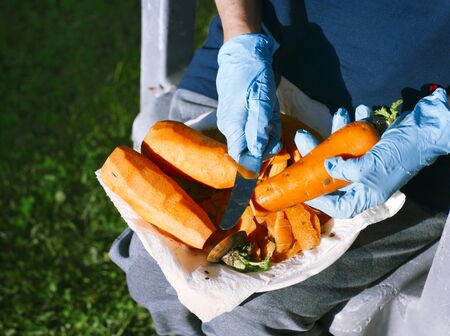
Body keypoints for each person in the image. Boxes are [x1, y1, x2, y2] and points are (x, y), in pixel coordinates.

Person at [110, 1, 450, 335]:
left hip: (410, 155)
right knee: (149, 272)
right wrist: (239, 35)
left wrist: (437, 128)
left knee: (249, 318)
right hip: (262, 59)